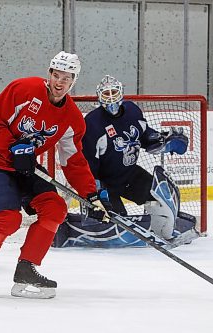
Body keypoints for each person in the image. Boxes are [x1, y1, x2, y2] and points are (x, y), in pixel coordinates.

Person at [0, 51, 110, 299]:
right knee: (8, 220)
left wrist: (90, 195)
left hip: (24, 166)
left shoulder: (72, 118)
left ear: (74, 81)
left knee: (55, 209)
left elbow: (73, 161)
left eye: (67, 78)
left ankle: (26, 270)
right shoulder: (23, 89)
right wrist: (14, 147)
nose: (59, 82)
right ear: (49, 74)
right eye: (56, 75)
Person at [53, 75, 195, 248]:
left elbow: (144, 137)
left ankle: (161, 229)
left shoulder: (133, 111)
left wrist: (163, 142)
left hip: (129, 176)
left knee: (158, 198)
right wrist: (95, 190)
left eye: (114, 92)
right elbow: (88, 162)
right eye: (106, 94)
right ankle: (69, 229)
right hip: (105, 181)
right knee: (114, 221)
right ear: (99, 96)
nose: (111, 97)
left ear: (121, 92)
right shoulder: (93, 123)